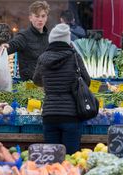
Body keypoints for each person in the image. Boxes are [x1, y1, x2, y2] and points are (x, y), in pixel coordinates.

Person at [33, 23, 91, 154]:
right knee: (70, 158)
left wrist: (50, 83)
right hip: (71, 115)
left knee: (52, 158)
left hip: (49, 115)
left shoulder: (43, 58)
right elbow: (86, 81)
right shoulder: (75, 57)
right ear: (67, 40)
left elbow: (36, 80)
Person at [0, 1, 50, 81]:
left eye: (43, 16)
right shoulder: (24, 36)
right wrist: (5, 46)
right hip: (29, 84)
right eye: (37, 16)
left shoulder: (49, 37)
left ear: (46, 17)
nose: (40, 19)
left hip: (47, 83)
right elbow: (13, 44)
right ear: (30, 18)